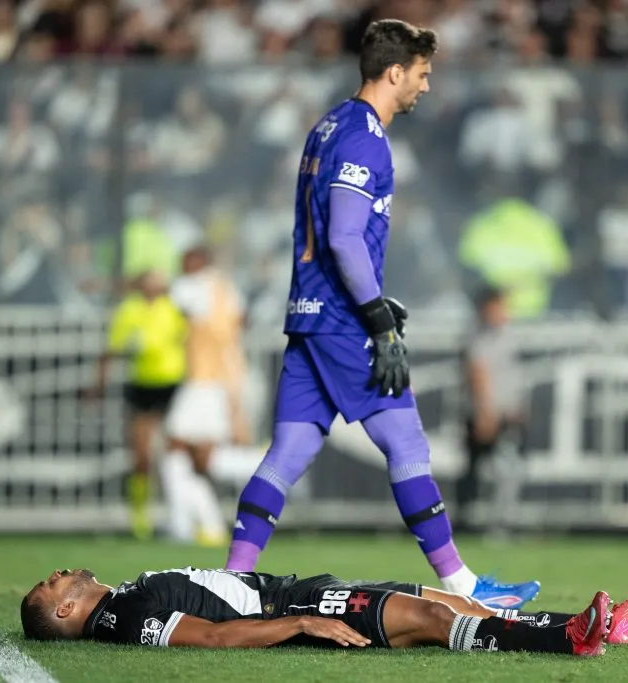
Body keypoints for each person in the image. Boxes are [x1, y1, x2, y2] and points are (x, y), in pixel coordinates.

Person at [225, 18, 540, 608]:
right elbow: (344, 237)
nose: (425, 86)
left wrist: (370, 295)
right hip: (344, 322)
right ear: (395, 72)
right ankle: (466, 588)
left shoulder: (329, 124)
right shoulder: (366, 138)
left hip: (310, 315)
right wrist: (376, 316)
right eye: (422, 74)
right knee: (407, 442)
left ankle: (232, 582)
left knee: (288, 453)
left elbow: (332, 236)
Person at [20, 566, 628, 656]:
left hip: (296, 589)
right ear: (66, 610)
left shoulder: (123, 601)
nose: (54, 576)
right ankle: (570, 640)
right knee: (431, 622)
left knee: (448, 601)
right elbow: (213, 636)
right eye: (47, 589)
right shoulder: (122, 619)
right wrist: (299, 621)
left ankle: (602, 623)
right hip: (292, 603)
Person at [85, 270, 186, 540]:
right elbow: (111, 349)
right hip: (144, 386)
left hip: (175, 385)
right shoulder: (130, 310)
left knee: (178, 451)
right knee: (141, 453)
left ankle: (182, 515)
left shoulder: (174, 308)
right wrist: (99, 386)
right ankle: (140, 514)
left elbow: (191, 342)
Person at [161, 246, 251, 547]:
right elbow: (241, 322)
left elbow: (166, 291)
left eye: (186, 261)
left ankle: (266, 465)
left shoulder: (195, 286)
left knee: (185, 450)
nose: (182, 267)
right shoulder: (227, 288)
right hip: (223, 378)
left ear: (198, 262)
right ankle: (196, 526)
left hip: (204, 381)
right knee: (186, 455)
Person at [457, 286, 527, 533]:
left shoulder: (507, 334)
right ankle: (476, 523)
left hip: (505, 414)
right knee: (480, 471)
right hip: (487, 414)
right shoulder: (479, 337)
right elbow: (478, 374)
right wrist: (484, 412)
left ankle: (498, 521)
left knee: (505, 469)